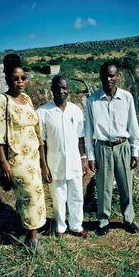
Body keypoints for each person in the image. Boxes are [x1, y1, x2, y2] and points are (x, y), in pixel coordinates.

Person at [0, 54, 46, 252]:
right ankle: (31, 239)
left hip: (33, 157)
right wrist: (3, 161)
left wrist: (42, 158)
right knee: (30, 194)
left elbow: (36, 128)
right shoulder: (2, 101)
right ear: (7, 79)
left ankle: (32, 229)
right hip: (17, 159)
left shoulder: (27, 98)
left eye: (23, 78)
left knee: (35, 194)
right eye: (15, 78)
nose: (20, 82)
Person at [85, 61, 139, 235]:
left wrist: (135, 150)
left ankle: (128, 220)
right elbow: (88, 131)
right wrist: (91, 156)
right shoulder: (92, 100)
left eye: (112, 75)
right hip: (102, 148)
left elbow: (133, 125)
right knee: (103, 187)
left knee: (126, 185)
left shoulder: (126, 98)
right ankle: (103, 221)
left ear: (117, 77)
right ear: (101, 77)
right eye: (105, 75)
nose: (108, 79)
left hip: (122, 146)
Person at [37, 75, 89, 238]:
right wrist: (44, 166)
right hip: (54, 162)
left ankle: (76, 226)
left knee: (76, 196)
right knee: (58, 197)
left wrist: (83, 159)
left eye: (64, 87)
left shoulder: (76, 110)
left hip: (74, 160)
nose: (61, 90)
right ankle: (60, 228)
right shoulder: (43, 112)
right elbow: (41, 143)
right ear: (52, 89)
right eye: (58, 87)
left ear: (68, 90)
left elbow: (80, 137)